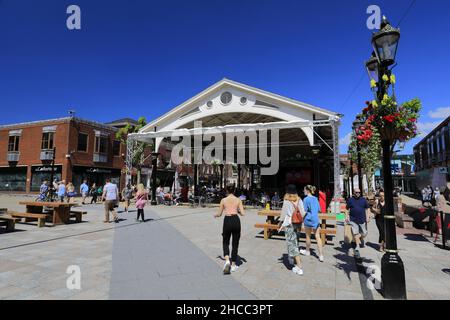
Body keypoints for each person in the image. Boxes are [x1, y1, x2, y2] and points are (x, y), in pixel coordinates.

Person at [214, 185, 245, 274]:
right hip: (236, 220)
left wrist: (215, 215)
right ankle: (234, 265)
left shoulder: (223, 200)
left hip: (227, 220)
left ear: (227, 191)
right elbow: (243, 213)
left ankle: (227, 260)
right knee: (235, 243)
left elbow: (219, 214)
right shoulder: (238, 200)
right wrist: (237, 210)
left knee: (225, 241)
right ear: (234, 190)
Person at [278, 184, 305, 275]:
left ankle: (299, 266)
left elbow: (283, 213)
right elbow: (302, 212)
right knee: (296, 242)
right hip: (298, 224)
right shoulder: (299, 200)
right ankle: (292, 259)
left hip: (290, 224)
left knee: (292, 244)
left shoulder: (287, 200)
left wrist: (280, 222)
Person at [300, 185, 324, 262]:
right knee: (318, 237)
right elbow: (319, 210)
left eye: (304, 190)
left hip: (308, 219)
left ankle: (307, 251)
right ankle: (321, 255)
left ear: (307, 190)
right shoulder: (316, 198)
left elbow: (304, 211)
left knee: (308, 236)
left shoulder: (305, 199)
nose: (303, 191)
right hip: (315, 219)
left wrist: (301, 220)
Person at [346, 188, 370, 258]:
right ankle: (357, 247)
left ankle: (360, 239)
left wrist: (368, 217)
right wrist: (346, 217)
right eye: (356, 192)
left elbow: (368, 208)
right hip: (353, 219)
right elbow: (347, 209)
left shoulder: (363, 200)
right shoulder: (350, 200)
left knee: (364, 233)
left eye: (359, 192)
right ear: (354, 192)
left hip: (362, 219)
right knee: (355, 233)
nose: (358, 193)